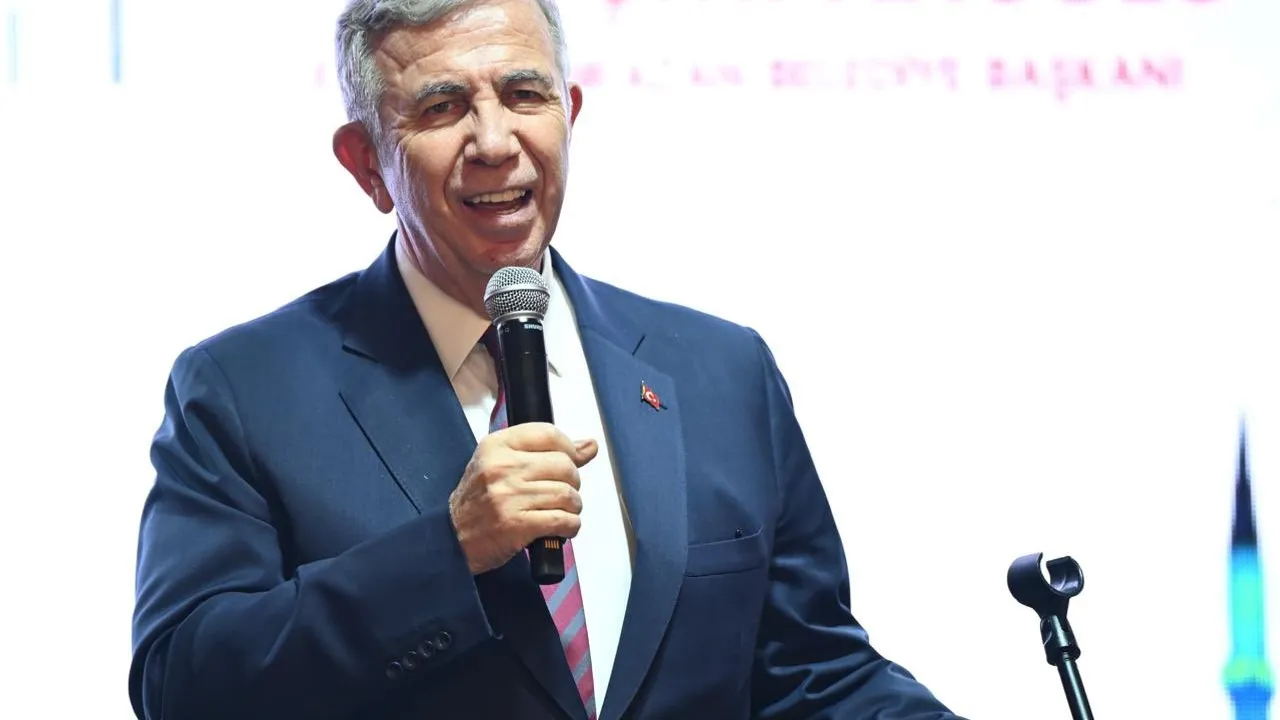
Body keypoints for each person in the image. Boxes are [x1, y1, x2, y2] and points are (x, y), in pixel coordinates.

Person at [128, 0, 969, 718]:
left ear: (570, 113)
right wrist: (447, 551)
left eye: (524, 95)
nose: (495, 141)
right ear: (367, 164)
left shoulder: (723, 371)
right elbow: (182, 683)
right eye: (441, 107)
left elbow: (814, 674)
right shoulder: (243, 390)